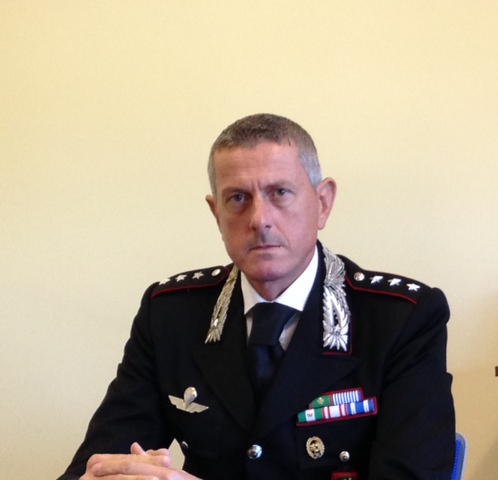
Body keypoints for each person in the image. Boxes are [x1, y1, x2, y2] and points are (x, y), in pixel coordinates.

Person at [58, 113, 455, 480]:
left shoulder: (401, 320)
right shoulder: (171, 315)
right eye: (237, 198)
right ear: (216, 213)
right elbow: (97, 462)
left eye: (280, 192)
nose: (259, 219)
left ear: (322, 203)